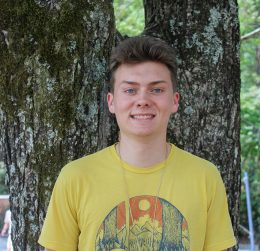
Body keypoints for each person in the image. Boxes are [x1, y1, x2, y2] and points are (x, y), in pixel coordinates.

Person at [38, 36, 236, 251]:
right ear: (112, 102)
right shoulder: (75, 177)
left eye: (157, 89)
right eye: (130, 90)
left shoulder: (205, 176)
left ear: (175, 101)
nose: (142, 100)